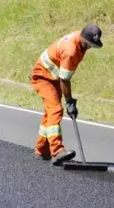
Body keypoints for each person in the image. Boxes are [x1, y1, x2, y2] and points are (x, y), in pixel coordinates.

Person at [30, 25, 103, 165]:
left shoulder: (80, 40)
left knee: (50, 113)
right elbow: (65, 79)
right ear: (82, 38)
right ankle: (57, 151)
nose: (88, 48)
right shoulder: (71, 50)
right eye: (87, 45)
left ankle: (41, 149)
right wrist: (69, 101)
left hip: (54, 77)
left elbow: (64, 76)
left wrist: (69, 99)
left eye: (91, 45)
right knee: (56, 109)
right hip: (42, 76)